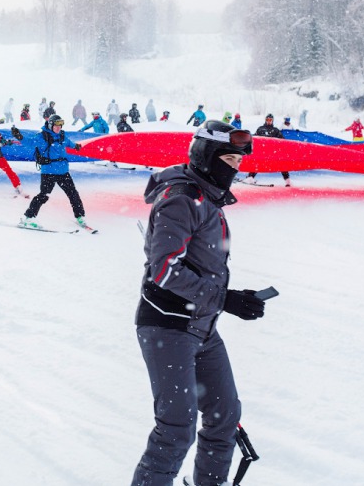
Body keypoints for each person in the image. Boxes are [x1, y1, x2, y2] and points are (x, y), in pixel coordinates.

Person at [130, 120, 263, 486]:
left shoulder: (207, 198)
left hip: (203, 325)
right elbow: (164, 270)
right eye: (229, 158)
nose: (235, 167)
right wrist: (225, 299)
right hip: (168, 325)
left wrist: (233, 299)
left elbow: (202, 265)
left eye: (239, 160)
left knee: (224, 416)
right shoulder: (181, 199)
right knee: (176, 428)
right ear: (206, 156)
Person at [21, 115, 87, 229]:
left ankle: (80, 216)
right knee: (43, 196)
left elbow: (69, 143)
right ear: (51, 125)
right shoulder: (42, 136)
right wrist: (19, 137)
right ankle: (28, 218)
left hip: (63, 171)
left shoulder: (62, 136)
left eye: (60, 125)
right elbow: (29, 142)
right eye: (56, 125)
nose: (58, 128)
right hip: (49, 172)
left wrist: (76, 146)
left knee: (73, 194)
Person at [245, 114, 291, 187]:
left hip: (273, 153)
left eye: (270, 120)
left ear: (272, 121)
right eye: (267, 120)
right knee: (257, 163)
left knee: (282, 163)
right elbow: (254, 138)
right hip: (262, 152)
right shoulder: (260, 129)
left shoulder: (275, 130)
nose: (269, 121)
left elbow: (283, 141)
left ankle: (287, 181)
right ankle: (250, 178)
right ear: (265, 120)